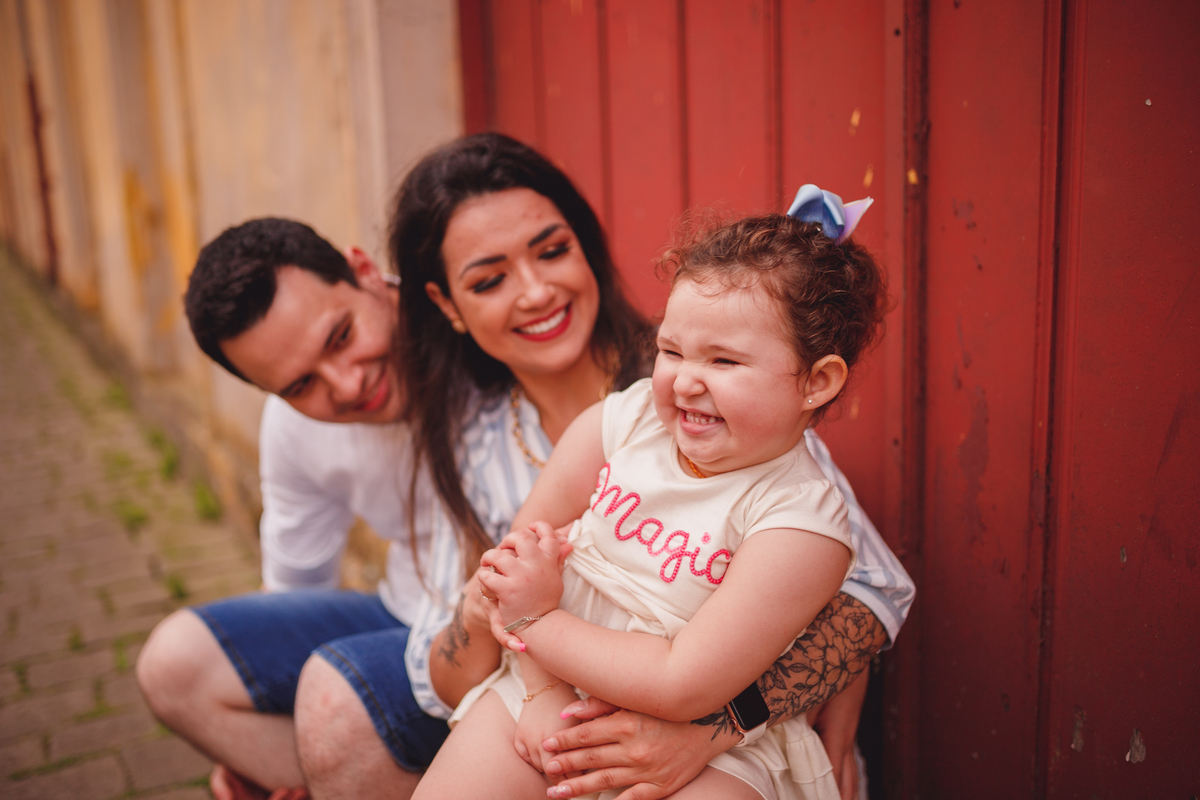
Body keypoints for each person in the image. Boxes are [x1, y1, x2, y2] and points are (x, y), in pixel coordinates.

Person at [135, 133, 911, 800]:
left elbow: (867, 590)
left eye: (550, 249)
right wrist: (512, 643)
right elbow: (468, 630)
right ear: (442, 304)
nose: (535, 292)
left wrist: (720, 723)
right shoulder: (471, 419)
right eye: (488, 280)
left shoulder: (700, 400)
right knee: (310, 693)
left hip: (704, 715)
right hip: (533, 681)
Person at [412, 187, 884, 800]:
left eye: (724, 361)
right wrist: (541, 691)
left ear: (816, 382)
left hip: (700, 741)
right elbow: (514, 569)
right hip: (540, 683)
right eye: (671, 349)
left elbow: (681, 682)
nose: (685, 379)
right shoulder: (622, 426)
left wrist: (538, 618)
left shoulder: (800, 523)